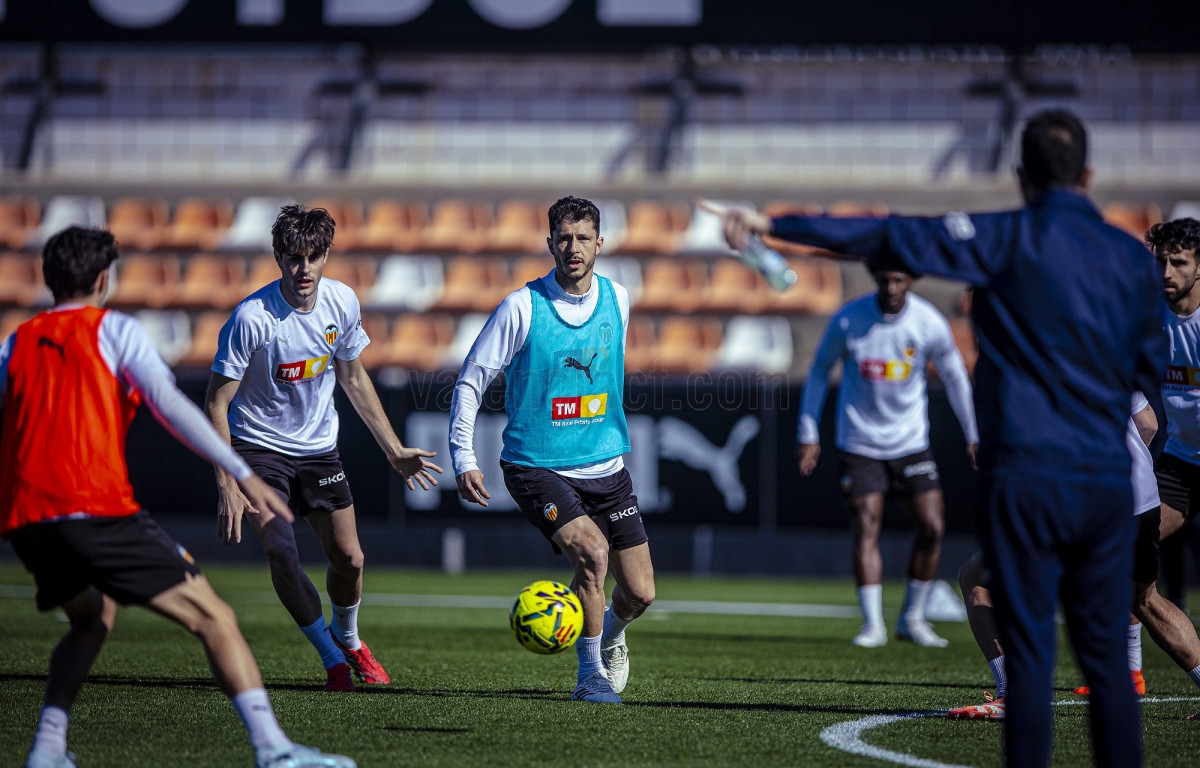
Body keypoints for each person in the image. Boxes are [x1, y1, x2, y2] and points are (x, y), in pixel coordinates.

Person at [709, 109, 1167, 767]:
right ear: (1089, 175)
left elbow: (883, 233)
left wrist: (773, 224)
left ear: (1020, 176)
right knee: (1108, 661)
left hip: (1027, 478)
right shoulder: (1129, 255)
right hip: (1106, 480)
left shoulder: (1002, 236)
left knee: (1031, 654)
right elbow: (1152, 375)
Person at [2, 227, 354, 768]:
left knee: (92, 619)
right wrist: (238, 473)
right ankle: (275, 752)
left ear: (46, 280)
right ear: (104, 279)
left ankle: (47, 749)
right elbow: (170, 404)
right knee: (216, 620)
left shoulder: (14, 342)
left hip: (28, 522)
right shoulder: (114, 330)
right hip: (95, 509)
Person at [204, 204, 442, 692]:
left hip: (318, 450)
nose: (304, 269)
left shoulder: (342, 303)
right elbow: (215, 402)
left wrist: (393, 448)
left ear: (327, 255)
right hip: (259, 449)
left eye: (314, 257)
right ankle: (332, 658)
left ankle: (349, 638)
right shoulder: (252, 318)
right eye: (293, 257)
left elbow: (353, 377)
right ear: (278, 257)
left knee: (350, 559)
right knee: (280, 549)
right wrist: (226, 482)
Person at [450, 196, 655, 704]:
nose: (573, 248)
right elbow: (471, 380)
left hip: (607, 466)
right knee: (592, 553)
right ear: (550, 244)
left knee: (641, 592)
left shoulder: (619, 300)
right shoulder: (521, 306)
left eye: (583, 238)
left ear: (600, 244)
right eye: (563, 238)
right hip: (535, 464)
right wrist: (463, 456)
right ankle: (589, 678)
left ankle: (610, 632)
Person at [947, 393, 1161, 720]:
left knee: (982, 578)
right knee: (1145, 599)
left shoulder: (1032, 361)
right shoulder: (1109, 348)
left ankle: (1015, 693)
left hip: (1079, 500)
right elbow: (1148, 423)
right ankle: (1131, 674)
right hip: (1141, 496)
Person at [799, 265, 978, 648]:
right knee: (867, 525)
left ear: (911, 281)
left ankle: (912, 618)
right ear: (876, 279)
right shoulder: (850, 319)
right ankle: (872, 625)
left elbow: (955, 376)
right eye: (886, 279)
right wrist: (808, 431)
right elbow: (818, 369)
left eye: (899, 280)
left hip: (911, 442)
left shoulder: (928, 322)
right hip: (859, 441)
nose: (892, 287)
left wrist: (973, 435)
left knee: (932, 525)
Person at [1139, 217, 1200, 708]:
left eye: (1178, 261)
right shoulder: (1149, 318)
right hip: (1181, 464)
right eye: (1161, 259)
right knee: (1125, 556)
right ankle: (1128, 676)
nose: (1166, 269)